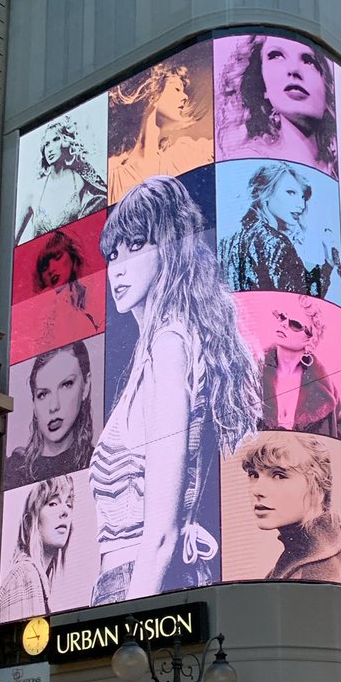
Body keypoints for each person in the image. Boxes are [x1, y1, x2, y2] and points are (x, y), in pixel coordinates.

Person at [90, 175, 261, 604]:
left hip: (138, 584)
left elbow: (162, 532)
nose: (120, 267)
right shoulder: (158, 347)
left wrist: (129, 626)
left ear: (170, 247)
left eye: (137, 245)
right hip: (132, 580)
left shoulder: (169, 345)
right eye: (113, 254)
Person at [241, 432, 341, 584]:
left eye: (279, 475)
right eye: (254, 474)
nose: (257, 490)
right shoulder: (332, 536)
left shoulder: (306, 573)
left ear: (318, 485)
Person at [216, 34, 337, 177]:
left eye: (309, 61)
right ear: (262, 85)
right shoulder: (249, 165)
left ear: (327, 87)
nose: (294, 70)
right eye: (276, 56)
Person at [108, 55, 213, 200]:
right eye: (177, 89)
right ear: (153, 90)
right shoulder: (113, 177)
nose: (185, 97)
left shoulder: (185, 155)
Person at [4, 342, 94, 490]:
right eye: (43, 394)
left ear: (86, 385)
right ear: (34, 402)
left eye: (66, 385)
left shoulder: (98, 462)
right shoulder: (12, 471)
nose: (53, 406)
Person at [220, 163, 319, 294]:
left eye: (302, 197)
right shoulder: (277, 244)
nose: (301, 205)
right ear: (265, 192)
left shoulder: (227, 241)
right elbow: (302, 303)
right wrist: (326, 267)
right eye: (290, 193)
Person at [259, 299, 341, 440]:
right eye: (283, 317)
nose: (284, 324)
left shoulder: (325, 392)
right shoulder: (250, 374)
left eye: (295, 324)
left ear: (310, 339)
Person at [15, 116, 107, 244]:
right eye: (46, 144)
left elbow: (104, 196)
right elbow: (13, 244)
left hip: (72, 257)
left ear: (66, 141)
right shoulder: (34, 191)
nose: (50, 148)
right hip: (41, 259)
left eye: (55, 140)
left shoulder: (80, 180)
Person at [0, 476, 75, 622]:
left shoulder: (35, 577)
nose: (65, 511)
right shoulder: (24, 575)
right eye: (52, 503)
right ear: (29, 522)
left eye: (69, 504)